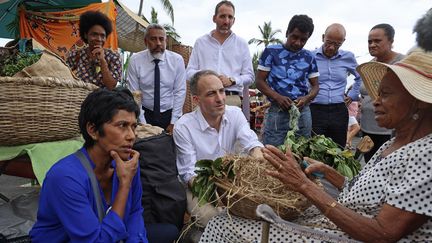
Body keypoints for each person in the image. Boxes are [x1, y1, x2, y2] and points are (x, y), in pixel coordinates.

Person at [30, 88, 147, 242]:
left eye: (133, 126)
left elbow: (134, 213)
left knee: (168, 230)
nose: (131, 136)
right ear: (93, 130)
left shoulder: (128, 165)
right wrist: (124, 185)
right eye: (122, 125)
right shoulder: (65, 177)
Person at [173, 70, 263, 228]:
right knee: (211, 218)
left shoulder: (235, 114)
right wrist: (219, 196)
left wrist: (259, 165)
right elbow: (189, 174)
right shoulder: (183, 126)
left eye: (221, 91)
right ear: (196, 100)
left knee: (256, 211)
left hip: (229, 183)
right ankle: (198, 234)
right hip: (198, 186)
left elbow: (252, 143)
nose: (220, 99)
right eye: (211, 94)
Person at [256, 14, 319, 146]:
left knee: (302, 151)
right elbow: (260, 82)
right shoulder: (271, 52)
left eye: (303, 40)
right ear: (287, 33)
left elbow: (315, 87)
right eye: (294, 37)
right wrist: (277, 97)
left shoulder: (309, 57)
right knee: (273, 152)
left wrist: (306, 98)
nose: (298, 43)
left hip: (302, 112)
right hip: (277, 112)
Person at [185, 0, 254, 111]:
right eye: (222, 16)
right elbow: (188, 73)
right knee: (201, 129)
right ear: (214, 18)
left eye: (230, 17)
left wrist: (232, 80)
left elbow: (250, 76)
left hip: (231, 100)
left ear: (234, 20)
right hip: (205, 99)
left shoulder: (241, 44)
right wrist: (207, 78)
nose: (226, 21)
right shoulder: (201, 42)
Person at [127, 23, 186, 134]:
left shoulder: (177, 60)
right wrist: (143, 123)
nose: (158, 43)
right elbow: (134, 94)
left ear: (166, 41)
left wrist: (174, 121)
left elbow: (180, 91)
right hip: (144, 113)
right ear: (145, 41)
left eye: (161, 39)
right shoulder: (135, 60)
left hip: (169, 114)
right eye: (153, 39)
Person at [311, 23, 362, 148]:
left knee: (338, 148)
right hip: (315, 109)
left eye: (337, 44)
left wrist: (353, 95)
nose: (331, 48)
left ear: (343, 42)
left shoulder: (348, 57)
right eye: (328, 42)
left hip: (339, 110)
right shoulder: (311, 56)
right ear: (323, 37)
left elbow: (360, 76)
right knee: (315, 148)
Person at [360, 23, 405, 162]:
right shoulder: (369, 66)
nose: (372, 45)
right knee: (368, 167)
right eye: (369, 41)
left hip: (390, 131)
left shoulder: (402, 64)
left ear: (391, 41)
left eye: (377, 41)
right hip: (367, 129)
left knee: (387, 169)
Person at [66, 11, 121, 89]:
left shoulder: (114, 57)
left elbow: (111, 86)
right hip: (77, 99)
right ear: (85, 35)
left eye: (102, 36)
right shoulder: (75, 55)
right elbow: (64, 79)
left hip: (103, 100)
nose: (99, 39)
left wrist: (102, 61)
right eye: (94, 34)